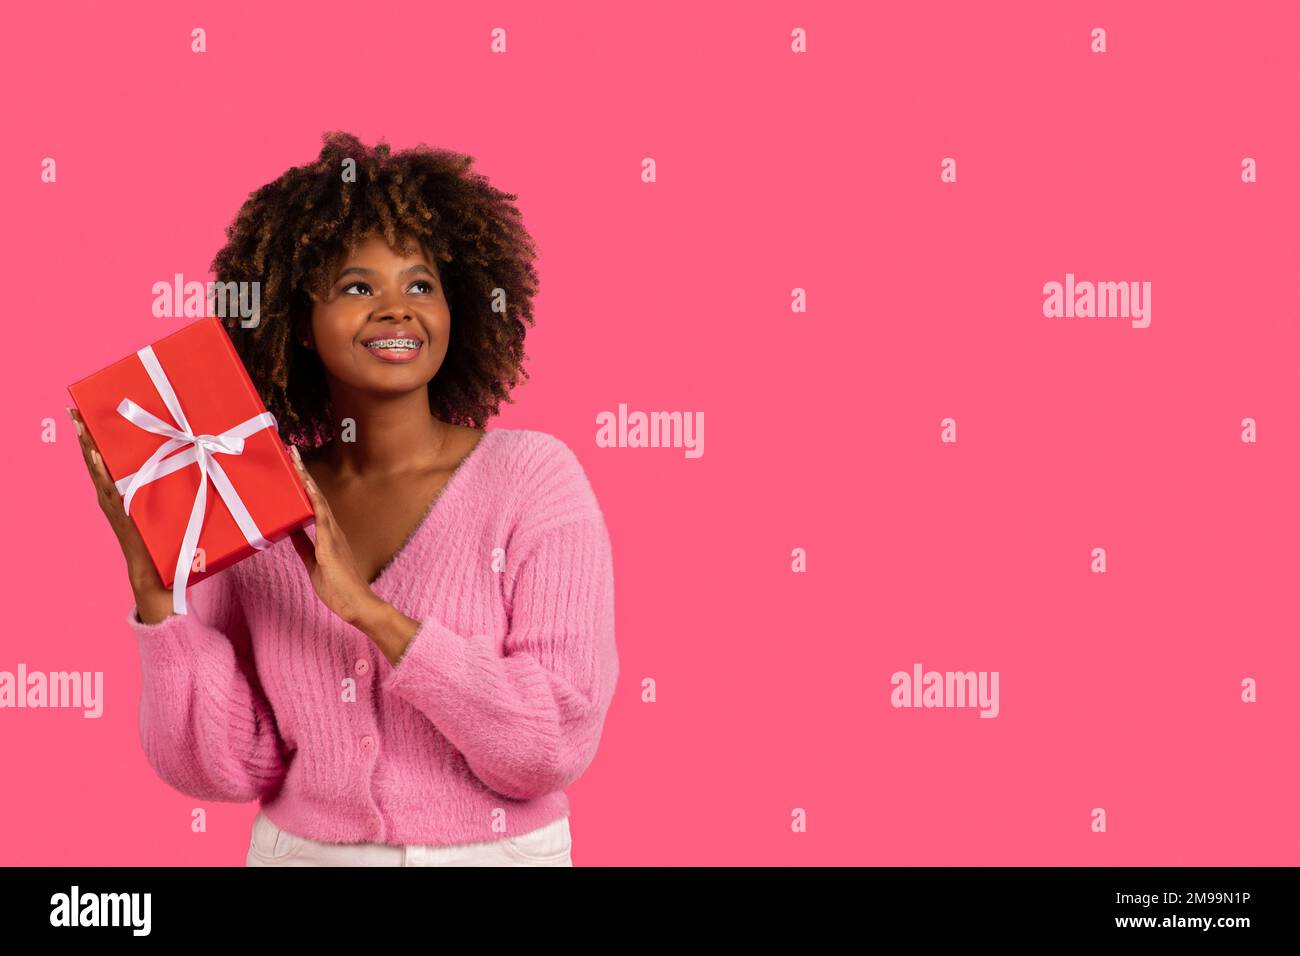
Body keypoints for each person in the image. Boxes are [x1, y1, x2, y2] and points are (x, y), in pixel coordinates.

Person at [67, 131, 618, 866]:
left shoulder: (534, 479)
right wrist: (157, 596)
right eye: (358, 286)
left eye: (421, 285)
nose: (396, 309)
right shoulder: (251, 494)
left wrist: (370, 613)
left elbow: (551, 745)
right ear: (298, 320)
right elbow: (230, 766)